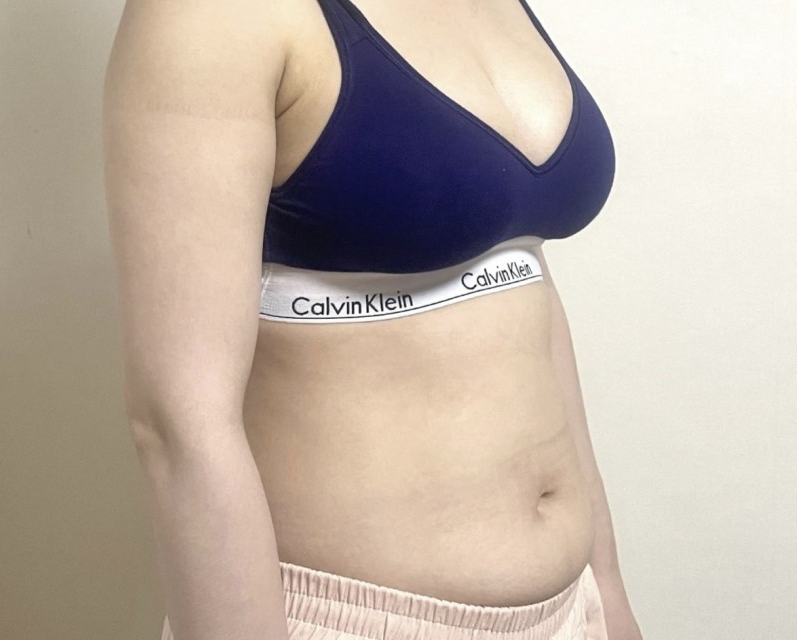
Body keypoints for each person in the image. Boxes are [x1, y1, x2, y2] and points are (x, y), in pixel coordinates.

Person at [101, 0, 642, 639]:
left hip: (570, 611)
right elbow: (178, 424)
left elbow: (519, 276)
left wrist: (607, 591)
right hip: (353, 618)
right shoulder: (213, 15)